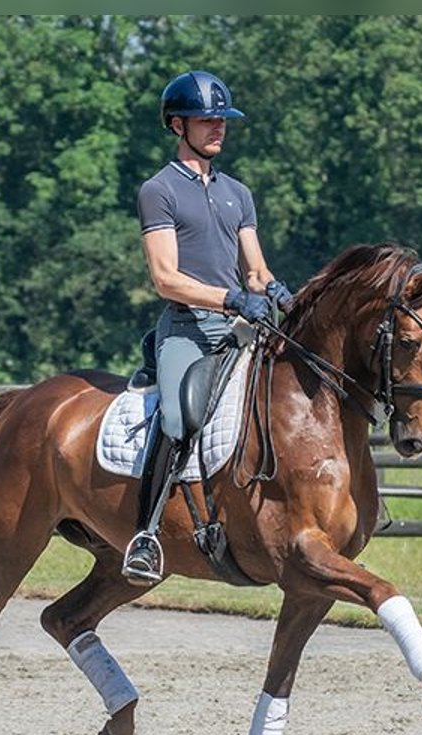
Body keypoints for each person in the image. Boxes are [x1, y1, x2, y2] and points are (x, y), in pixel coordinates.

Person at [122, 70, 293, 584]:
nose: (218, 127)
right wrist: (231, 297)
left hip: (238, 328)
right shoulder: (160, 191)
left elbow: (256, 270)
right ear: (178, 125)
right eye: (206, 120)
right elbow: (165, 279)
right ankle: (147, 534)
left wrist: (278, 290)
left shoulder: (238, 193)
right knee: (178, 418)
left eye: (222, 119)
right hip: (186, 331)